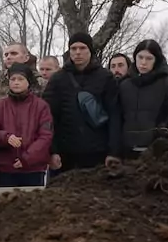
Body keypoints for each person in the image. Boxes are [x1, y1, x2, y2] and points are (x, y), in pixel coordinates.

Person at [43, 32, 122, 174]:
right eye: (73, 48)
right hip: (66, 152)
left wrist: (113, 151)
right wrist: (52, 151)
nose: (78, 52)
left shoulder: (105, 77)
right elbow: (48, 117)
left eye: (82, 48)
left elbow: (115, 114)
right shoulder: (58, 79)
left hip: (98, 151)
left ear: (90, 50)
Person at [0, 63, 53, 186]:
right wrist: (6, 137)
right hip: (6, 168)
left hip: (33, 168)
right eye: (13, 79)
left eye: (20, 79)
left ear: (28, 82)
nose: (16, 82)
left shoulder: (41, 106)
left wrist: (27, 159)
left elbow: (45, 136)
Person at [117, 39, 168, 157]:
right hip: (125, 150)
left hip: (156, 152)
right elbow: (117, 117)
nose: (143, 62)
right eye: (140, 57)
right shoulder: (124, 85)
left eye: (149, 58)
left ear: (157, 60)